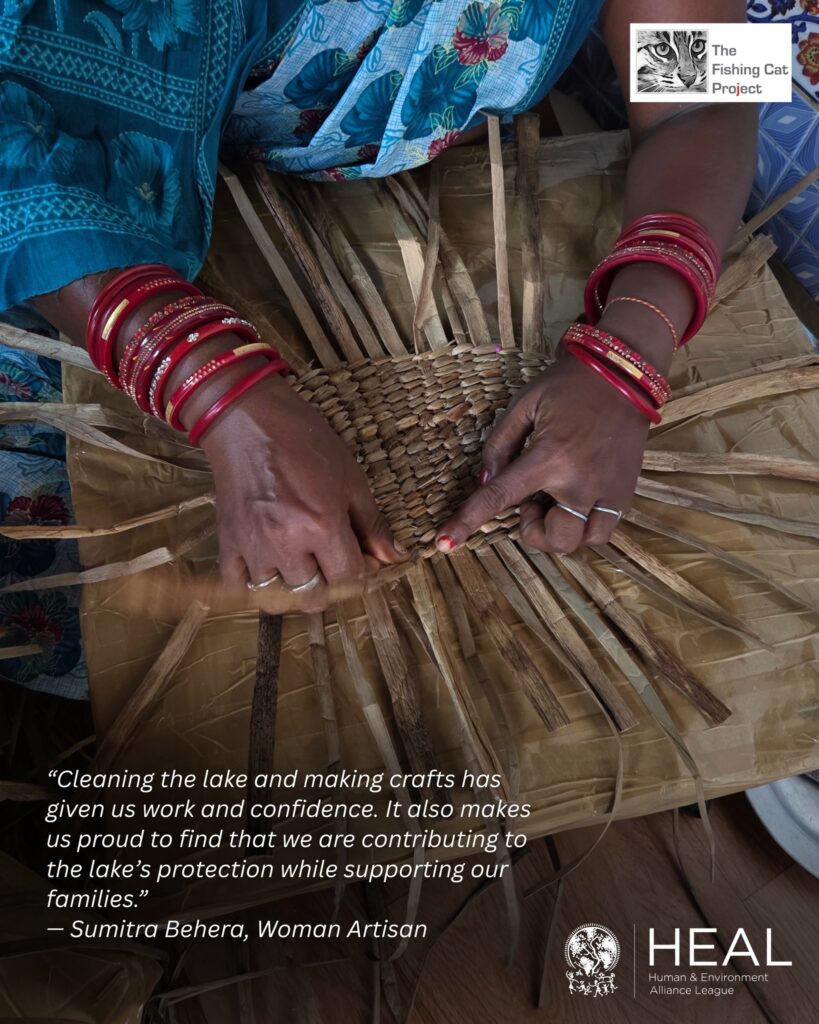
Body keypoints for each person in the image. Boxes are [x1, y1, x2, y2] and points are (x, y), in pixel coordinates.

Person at [1, 0, 757, 611]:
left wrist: (630, 352)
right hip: (80, 245)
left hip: (418, 222)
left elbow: (708, 101)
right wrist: (215, 390)